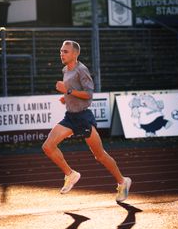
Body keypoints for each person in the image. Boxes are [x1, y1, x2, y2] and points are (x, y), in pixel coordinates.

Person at [42, 40, 132, 202]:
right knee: (48, 147)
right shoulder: (65, 69)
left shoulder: (81, 70)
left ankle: (122, 181)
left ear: (75, 54)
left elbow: (89, 95)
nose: (61, 54)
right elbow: (74, 92)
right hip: (70, 117)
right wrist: (66, 97)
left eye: (66, 51)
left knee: (100, 156)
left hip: (83, 118)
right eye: (61, 51)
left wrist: (67, 90)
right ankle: (71, 174)